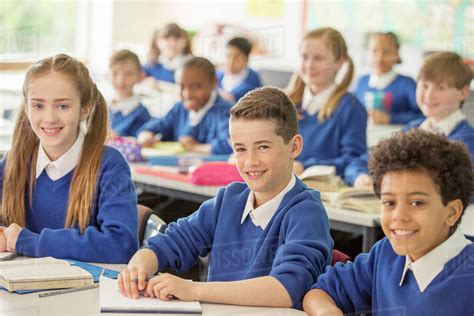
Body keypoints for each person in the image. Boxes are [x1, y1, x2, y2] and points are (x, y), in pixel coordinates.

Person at [118, 87, 333, 309]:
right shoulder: (229, 199)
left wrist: (192, 290)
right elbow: (174, 241)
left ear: (294, 146)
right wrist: (140, 264)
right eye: (240, 149)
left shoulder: (307, 211)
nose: (250, 161)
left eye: (263, 147)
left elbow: (286, 288)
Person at [303, 129, 474, 315]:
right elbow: (320, 292)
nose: (399, 216)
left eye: (417, 203)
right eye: (389, 202)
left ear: (452, 212)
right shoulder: (386, 254)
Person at [0, 54, 138, 263]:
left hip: (88, 293)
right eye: (38, 106)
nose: (49, 118)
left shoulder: (108, 166)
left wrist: (30, 241)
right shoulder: (13, 162)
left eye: (62, 106)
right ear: (27, 108)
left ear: (85, 108)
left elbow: (121, 245)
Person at [346, 51, 473, 188]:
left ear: (463, 93)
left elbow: (461, 188)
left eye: (440, 88)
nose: (429, 95)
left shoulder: (468, 140)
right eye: (424, 86)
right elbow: (359, 163)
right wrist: (359, 176)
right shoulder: (410, 131)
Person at [286, 27, 367, 178]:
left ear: (339, 62)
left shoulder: (351, 108)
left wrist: (305, 166)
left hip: (324, 189)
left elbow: (353, 160)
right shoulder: (285, 104)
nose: (309, 65)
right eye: (304, 57)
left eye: (318, 58)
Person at [137, 57, 233, 155]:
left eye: (196, 86)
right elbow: (154, 126)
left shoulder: (225, 112)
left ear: (213, 83)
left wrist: (196, 147)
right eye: (181, 86)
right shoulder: (180, 108)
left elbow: (231, 145)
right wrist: (146, 135)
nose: (187, 94)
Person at [354, 32, 423, 124]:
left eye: (386, 52)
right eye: (374, 51)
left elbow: (424, 116)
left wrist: (390, 118)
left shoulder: (407, 84)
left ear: (397, 54)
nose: (379, 57)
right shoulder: (361, 82)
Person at [108, 49, 151, 137]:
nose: (121, 80)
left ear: (139, 76)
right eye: (115, 73)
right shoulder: (102, 108)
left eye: (128, 74)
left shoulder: (142, 113)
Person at [217, 37, 262, 102]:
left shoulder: (253, 79)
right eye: (228, 56)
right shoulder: (219, 74)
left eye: (237, 57)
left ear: (246, 59)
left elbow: (230, 99)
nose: (231, 61)